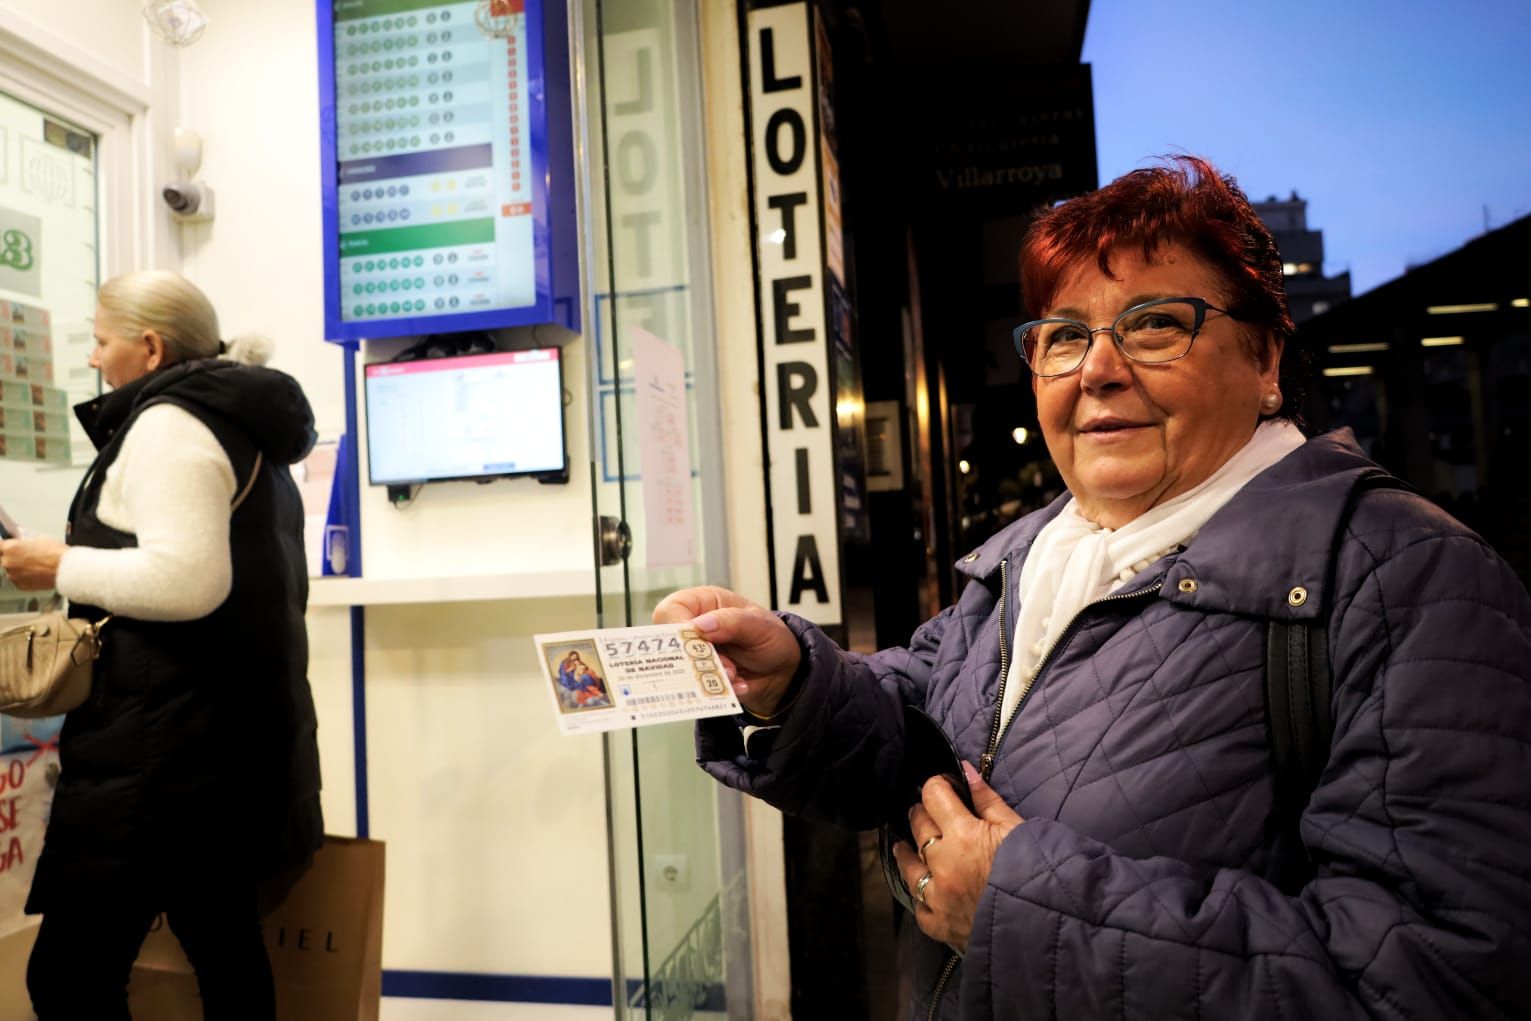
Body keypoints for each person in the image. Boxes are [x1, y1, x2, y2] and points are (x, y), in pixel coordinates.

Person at [654, 157, 1531, 1018]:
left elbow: (1436, 976)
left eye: (1154, 324)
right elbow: (916, 727)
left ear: (1264, 360)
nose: (1096, 369)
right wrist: (792, 682)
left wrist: (1018, 917)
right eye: (1064, 336)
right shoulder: (1027, 556)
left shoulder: (1410, 578)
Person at [0, 270, 323, 1020]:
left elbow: (187, 581)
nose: (92, 358)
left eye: (100, 341)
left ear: (149, 347)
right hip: (225, 742)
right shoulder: (240, 425)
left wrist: (58, 565)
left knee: (69, 978)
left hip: (158, 755)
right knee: (227, 958)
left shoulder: (171, 425)